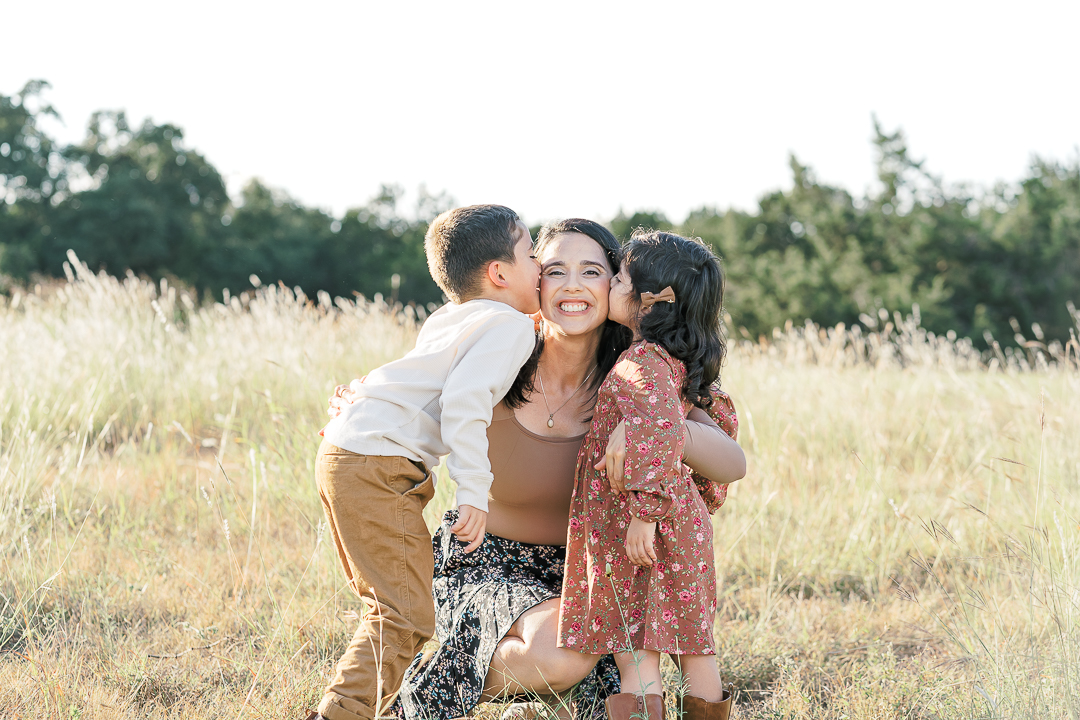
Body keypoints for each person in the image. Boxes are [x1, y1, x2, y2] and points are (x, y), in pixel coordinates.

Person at [365, 221, 745, 720]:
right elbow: (407, 394)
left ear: (618, 285)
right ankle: (426, 685)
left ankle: (518, 695)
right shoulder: (498, 354)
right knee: (567, 651)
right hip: (486, 560)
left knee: (603, 684)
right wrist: (360, 404)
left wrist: (660, 430)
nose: (571, 285)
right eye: (554, 270)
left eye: (591, 271)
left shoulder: (637, 375)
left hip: (592, 567)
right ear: (533, 281)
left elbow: (732, 463)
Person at [308, 204, 542, 720]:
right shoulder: (511, 326)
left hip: (350, 452)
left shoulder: (452, 317)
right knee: (405, 615)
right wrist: (473, 494)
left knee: (390, 605)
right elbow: (463, 402)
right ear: (499, 273)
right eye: (532, 254)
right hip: (378, 462)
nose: (542, 266)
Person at [557, 231, 735, 720]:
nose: (609, 283)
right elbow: (716, 422)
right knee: (693, 642)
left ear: (647, 302)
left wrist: (645, 514)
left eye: (618, 278)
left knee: (637, 646)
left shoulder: (641, 363)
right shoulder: (674, 363)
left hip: (642, 527)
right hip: (675, 521)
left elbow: (660, 428)